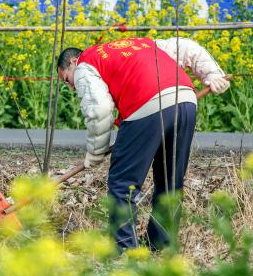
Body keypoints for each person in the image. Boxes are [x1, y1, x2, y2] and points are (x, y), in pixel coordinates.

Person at [56, 37, 229, 250]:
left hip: (145, 104)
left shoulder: (85, 63)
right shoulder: (141, 44)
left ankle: (125, 250)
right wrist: (212, 74)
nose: (71, 87)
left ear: (72, 61)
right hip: (185, 99)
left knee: (122, 184)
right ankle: (162, 246)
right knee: (170, 181)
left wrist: (95, 152)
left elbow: (98, 109)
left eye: (66, 79)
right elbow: (186, 46)